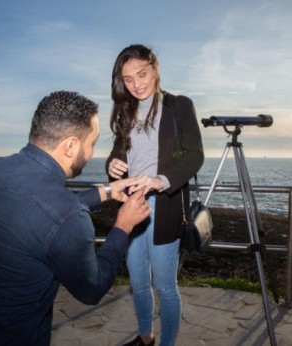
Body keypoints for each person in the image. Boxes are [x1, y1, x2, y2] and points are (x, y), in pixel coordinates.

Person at [0, 91, 152, 345]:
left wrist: (105, 192)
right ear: (71, 145)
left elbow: (38, 215)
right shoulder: (66, 216)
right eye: (92, 143)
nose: (93, 152)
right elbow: (92, 288)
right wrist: (122, 226)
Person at [106, 44, 204, 346]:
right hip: (131, 205)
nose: (136, 84)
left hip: (165, 205)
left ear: (155, 68)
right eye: (128, 79)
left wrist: (161, 181)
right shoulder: (125, 110)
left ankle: (167, 343)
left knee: (165, 285)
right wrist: (112, 164)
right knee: (137, 283)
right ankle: (146, 337)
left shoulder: (179, 106)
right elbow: (119, 154)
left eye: (142, 74)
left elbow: (194, 156)